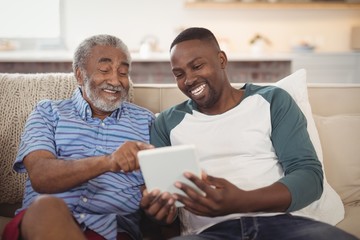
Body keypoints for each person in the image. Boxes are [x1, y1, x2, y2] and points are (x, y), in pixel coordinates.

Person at [140, 27, 357, 240]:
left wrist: (241, 200)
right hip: (210, 234)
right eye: (179, 74)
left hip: (282, 226)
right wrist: (159, 214)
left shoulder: (272, 100)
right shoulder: (167, 123)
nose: (188, 80)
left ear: (222, 60)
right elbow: (165, 206)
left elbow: (309, 177)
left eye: (197, 66)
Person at [2, 34, 155, 240]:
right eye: (104, 70)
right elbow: (41, 176)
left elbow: (156, 188)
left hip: (112, 232)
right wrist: (109, 162)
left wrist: (156, 202)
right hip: (41, 224)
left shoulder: (145, 121)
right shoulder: (48, 112)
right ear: (80, 75)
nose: (115, 80)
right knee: (47, 208)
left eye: (123, 72)